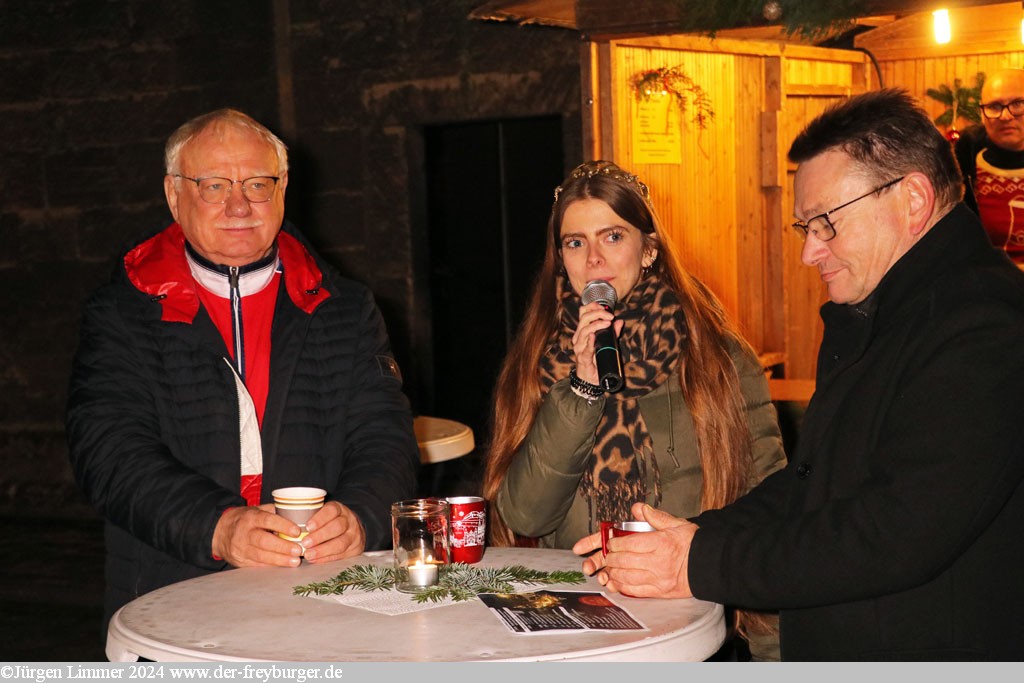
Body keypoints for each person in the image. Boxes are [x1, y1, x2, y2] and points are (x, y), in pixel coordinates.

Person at [576, 90, 1024, 661]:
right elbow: (812, 485)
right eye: (805, 227)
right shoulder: (891, 310)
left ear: (913, 199)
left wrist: (699, 563)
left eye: (825, 223)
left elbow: (899, 532)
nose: (810, 252)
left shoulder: (984, 324)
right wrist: (695, 537)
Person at [66, 109, 420, 624]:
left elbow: (385, 435)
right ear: (173, 194)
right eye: (214, 186)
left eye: (257, 184)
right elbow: (108, 449)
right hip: (172, 592)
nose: (239, 205)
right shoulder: (123, 310)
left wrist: (360, 516)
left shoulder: (344, 307)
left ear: (283, 189)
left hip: (322, 597)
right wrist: (218, 526)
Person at [481, 160, 787, 660]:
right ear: (560, 259)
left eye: (613, 236)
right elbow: (525, 515)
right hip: (575, 625)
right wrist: (582, 388)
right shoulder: (538, 360)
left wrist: (777, 659)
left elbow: (772, 514)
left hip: (691, 625)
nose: (594, 259)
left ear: (648, 250)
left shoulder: (718, 359)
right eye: (575, 242)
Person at [955, 67, 1024, 266]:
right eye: (994, 106)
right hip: (988, 276)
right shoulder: (967, 154)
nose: (1005, 116)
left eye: (1018, 104)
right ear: (982, 113)